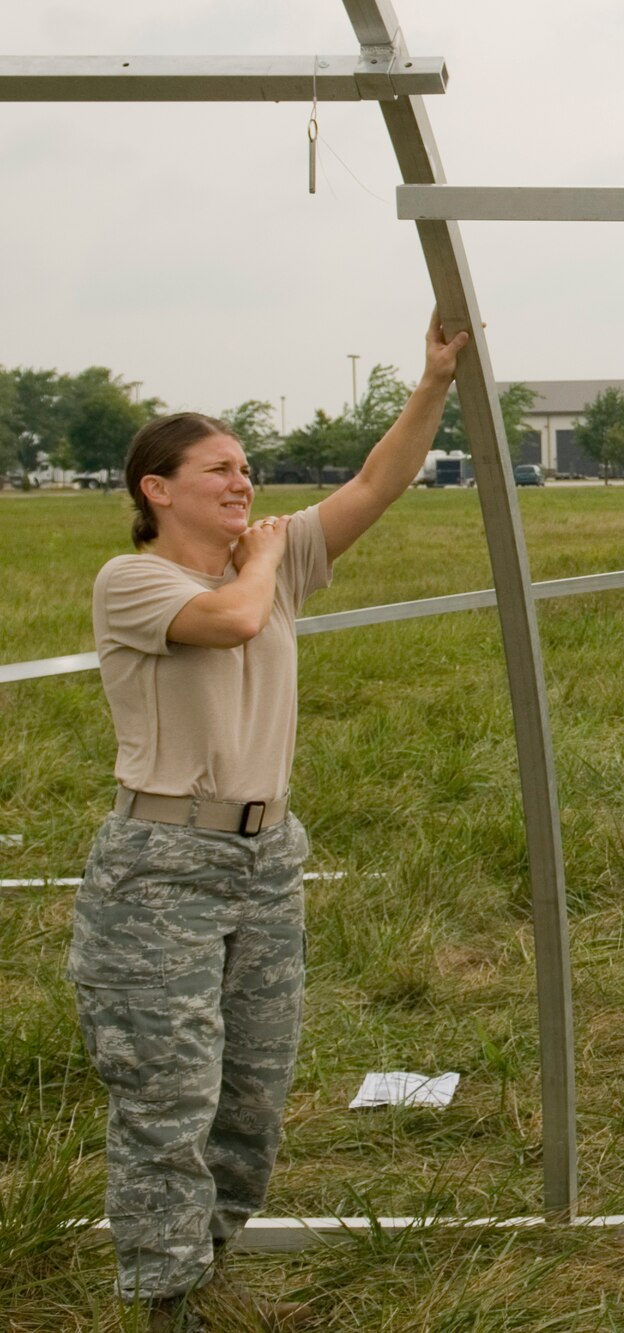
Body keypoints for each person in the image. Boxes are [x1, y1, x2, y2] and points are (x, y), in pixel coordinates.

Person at [74, 314, 467, 1329]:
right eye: (218, 469)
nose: (243, 484)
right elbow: (236, 618)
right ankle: (164, 1296)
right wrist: (262, 555)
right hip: (162, 864)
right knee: (168, 1093)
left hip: (264, 858)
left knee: (250, 1091)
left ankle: (207, 1252)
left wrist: (429, 385)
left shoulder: (273, 554)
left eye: (248, 467)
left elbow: (378, 482)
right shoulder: (136, 580)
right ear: (156, 489)